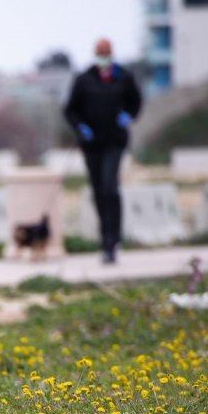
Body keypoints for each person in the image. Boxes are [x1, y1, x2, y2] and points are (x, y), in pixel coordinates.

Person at [64, 38, 142, 264]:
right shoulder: (84, 79)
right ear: (94, 53)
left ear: (112, 52)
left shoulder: (124, 78)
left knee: (110, 186)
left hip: (115, 142)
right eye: (99, 52)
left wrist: (128, 116)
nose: (103, 55)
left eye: (106, 52)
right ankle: (105, 239)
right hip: (91, 145)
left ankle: (113, 239)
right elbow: (70, 110)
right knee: (98, 190)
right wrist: (80, 127)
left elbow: (136, 103)